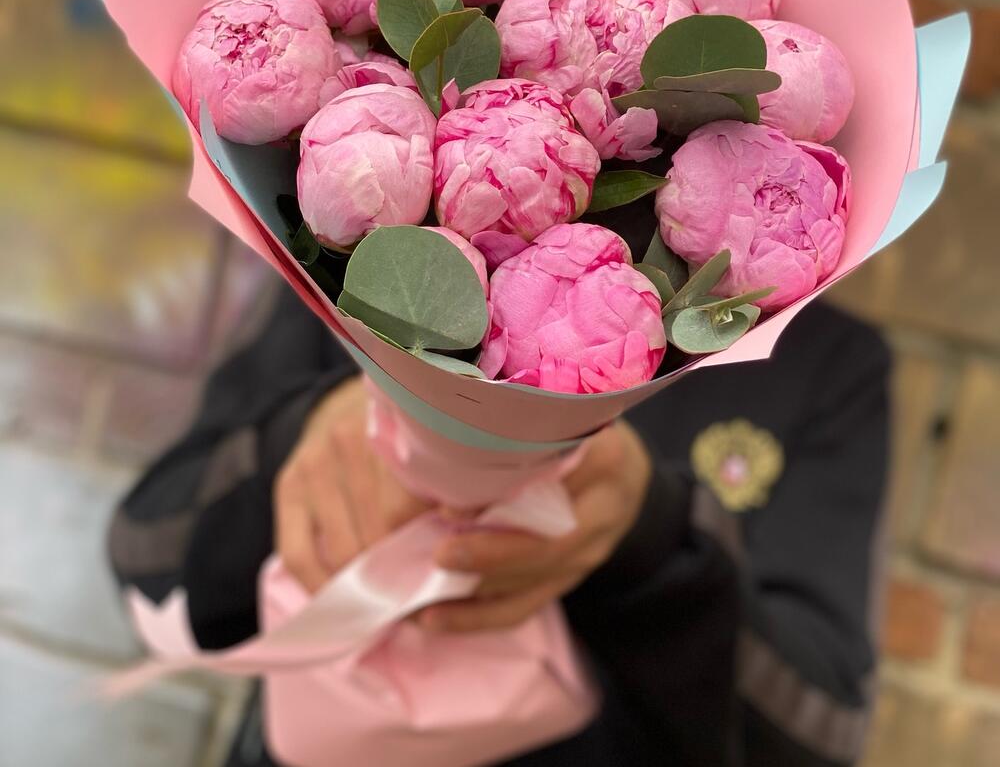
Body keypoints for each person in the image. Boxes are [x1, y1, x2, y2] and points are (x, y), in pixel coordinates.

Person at [109, 284, 890, 767]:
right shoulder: (374, 250)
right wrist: (299, 441)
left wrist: (649, 534)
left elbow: (819, 737)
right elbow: (146, 561)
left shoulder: (824, 366)